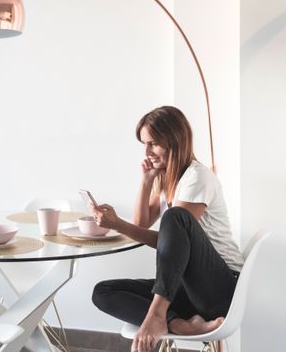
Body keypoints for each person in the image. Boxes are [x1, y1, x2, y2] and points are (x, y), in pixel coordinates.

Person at [90, 106, 243, 352]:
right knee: (103, 291)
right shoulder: (168, 177)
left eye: (153, 144)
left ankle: (159, 314)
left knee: (176, 217)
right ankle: (178, 322)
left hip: (220, 287)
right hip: (186, 288)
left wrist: (117, 224)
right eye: (144, 144)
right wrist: (147, 180)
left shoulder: (197, 176)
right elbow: (141, 223)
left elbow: (172, 239)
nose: (147, 152)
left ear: (174, 140)